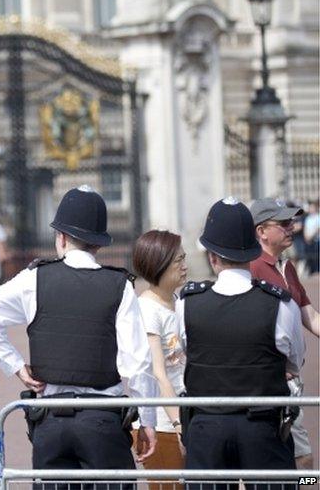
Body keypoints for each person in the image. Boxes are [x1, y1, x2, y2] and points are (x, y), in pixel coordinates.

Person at [0, 186, 158, 487]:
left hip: (51, 423)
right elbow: (137, 363)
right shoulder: (118, 285)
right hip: (101, 420)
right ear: (97, 244)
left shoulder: (35, 278)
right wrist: (148, 418)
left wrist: (16, 365)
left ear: (61, 237)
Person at [177, 198, 304, 486]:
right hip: (262, 426)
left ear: (212, 256)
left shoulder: (187, 304)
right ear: (253, 251)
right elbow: (296, 360)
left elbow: (190, 350)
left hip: (206, 425)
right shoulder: (279, 304)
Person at [249, 198, 317, 471]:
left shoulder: (286, 267)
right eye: (284, 223)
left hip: (290, 380)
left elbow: (309, 315)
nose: (293, 227)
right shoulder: (251, 269)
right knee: (300, 459)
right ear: (261, 231)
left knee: (293, 459)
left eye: (292, 222)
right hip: (269, 380)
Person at [131, 230, 189, 488]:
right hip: (163, 423)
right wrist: (178, 424)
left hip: (184, 414)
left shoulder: (178, 301)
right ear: (159, 264)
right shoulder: (147, 308)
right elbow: (159, 373)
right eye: (178, 261)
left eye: (184, 258)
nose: (185, 266)